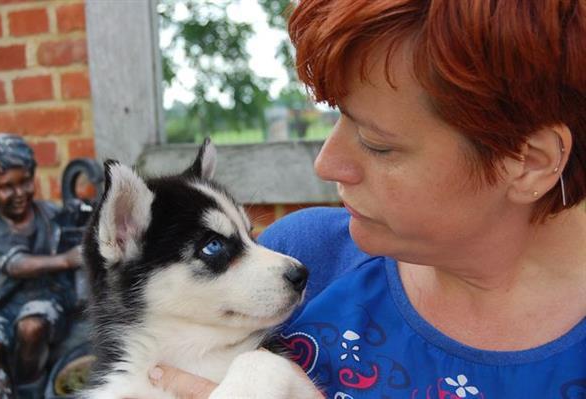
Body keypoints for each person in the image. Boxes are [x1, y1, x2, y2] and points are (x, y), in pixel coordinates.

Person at [148, 0, 586, 397]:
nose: (327, 163)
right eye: (338, 116)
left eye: (377, 143)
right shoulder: (303, 258)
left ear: (529, 161)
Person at [0, 134, 82, 399]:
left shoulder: (50, 213)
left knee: (31, 327)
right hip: (4, 305)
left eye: (25, 181)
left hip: (47, 297)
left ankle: (31, 390)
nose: (19, 193)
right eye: (7, 186)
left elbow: (72, 226)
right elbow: (17, 265)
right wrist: (64, 259)